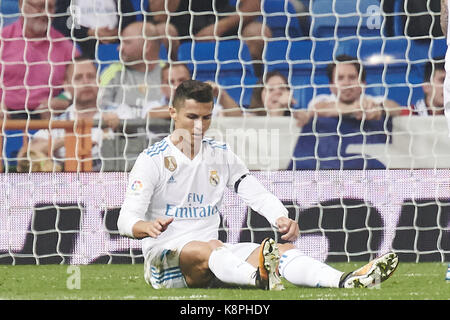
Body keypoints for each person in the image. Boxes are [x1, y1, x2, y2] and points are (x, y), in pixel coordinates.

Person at [117, 79, 399, 290]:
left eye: (206, 117)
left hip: (219, 259)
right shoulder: (152, 160)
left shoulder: (220, 153)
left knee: (283, 251)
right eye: (191, 117)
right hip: (167, 262)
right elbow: (125, 219)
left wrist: (281, 217)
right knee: (210, 248)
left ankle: (346, 280)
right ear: (173, 113)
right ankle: (259, 276)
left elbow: (254, 190)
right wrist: (146, 227)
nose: (200, 125)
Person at [19, 56, 134, 172]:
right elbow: (24, 156)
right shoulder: (57, 122)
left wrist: (119, 125)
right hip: (67, 187)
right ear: (66, 86)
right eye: (78, 78)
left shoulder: (120, 112)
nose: (85, 82)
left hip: (113, 184)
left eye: (91, 77)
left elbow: (137, 141)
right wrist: (64, 141)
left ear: (99, 82)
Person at [148, 0, 272, 77]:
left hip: (224, 20)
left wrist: (219, 28)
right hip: (181, 23)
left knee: (259, 32)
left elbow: (255, 5)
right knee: (163, 31)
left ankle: (256, 87)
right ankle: (176, 82)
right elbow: (159, 15)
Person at [0, 0, 79, 120]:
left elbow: (81, 85)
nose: (45, 13)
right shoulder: (3, 39)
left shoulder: (66, 47)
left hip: (47, 121)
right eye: (40, 7)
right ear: (22, 5)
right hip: (4, 120)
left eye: (50, 8)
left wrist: (63, 99)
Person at [294, 54, 402, 127]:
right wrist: (356, 109)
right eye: (340, 78)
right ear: (331, 86)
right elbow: (318, 109)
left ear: (363, 84)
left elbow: (396, 108)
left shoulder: (371, 101)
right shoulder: (321, 100)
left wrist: (379, 109)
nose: (346, 84)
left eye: (352, 78)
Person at [52, 0, 179, 61]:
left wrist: (118, 33)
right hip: (82, 42)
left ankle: (169, 72)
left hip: (118, 39)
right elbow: (60, 22)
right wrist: (88, 32)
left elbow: (129, 18)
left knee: (167, 30)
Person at [100, 21, 164, 115]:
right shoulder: (112, 72)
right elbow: (100, 108)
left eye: (127, 42)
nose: (119, 48)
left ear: (147, 46)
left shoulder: (169, 72)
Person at [143, 63, 242, 118]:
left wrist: (221, 94)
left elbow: (237, 119)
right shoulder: (152, 106)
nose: (177, 86)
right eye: (171, 82)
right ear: (162, 87)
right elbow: (150, 114)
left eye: (182, 80)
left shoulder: (209, 107)